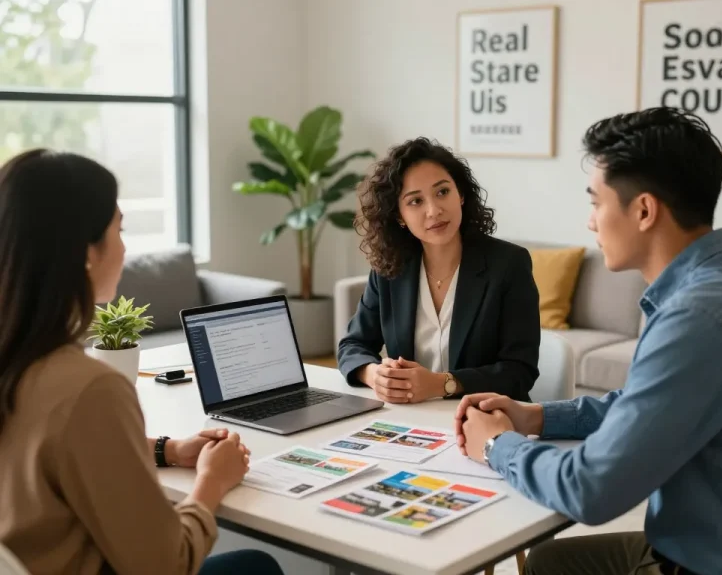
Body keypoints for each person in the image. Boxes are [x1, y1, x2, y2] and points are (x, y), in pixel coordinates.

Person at [455, 107, 722, 575]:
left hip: (700, 566)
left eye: (595, 202)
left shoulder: (697, 318)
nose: (590, 222)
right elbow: (646, 404)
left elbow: (590, 490)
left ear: (643, 210)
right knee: (550, 562)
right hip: (721, 546)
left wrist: (496, 445)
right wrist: (534, 416)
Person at [0, 149, 283, 575]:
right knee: (255, 566)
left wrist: (165, 449)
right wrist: (212, 481)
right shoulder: (89, 389)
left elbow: (47, 453)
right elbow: (167, 564)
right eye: (119, 229)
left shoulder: (20, 363)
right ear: (85, 252)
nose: (125, 246)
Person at [337, 137, 540, 404]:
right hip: (411, 418)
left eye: (442, 192)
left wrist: (442, 384)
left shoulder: (508, 264)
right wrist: (373, 375)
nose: (434, 211)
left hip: (484, 417)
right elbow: (353, 345)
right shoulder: (390, 269)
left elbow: (519, 371)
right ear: (399, 216)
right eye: (415, 201)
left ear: (462, 195)